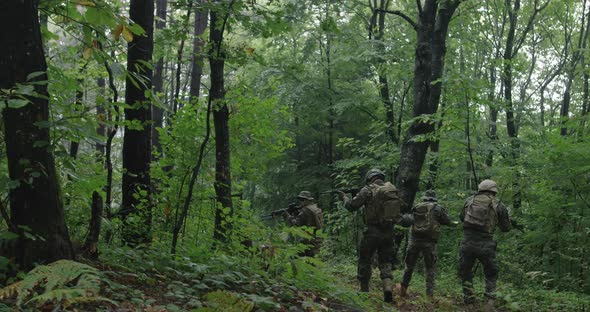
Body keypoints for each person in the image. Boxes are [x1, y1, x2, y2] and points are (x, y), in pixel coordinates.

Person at [339, 169, 407, 303]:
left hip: (372, 231)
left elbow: (352, 206)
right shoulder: (391, 189)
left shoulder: (367, 190)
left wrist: (345, 198)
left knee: (365, 260)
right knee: (385, 261)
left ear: (369, 178)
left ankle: (364, 291)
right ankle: (387, 288)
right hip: (388, 232)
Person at [458, 179, 514, 309]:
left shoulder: (469, 201)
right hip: (486, 243)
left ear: (480, 189)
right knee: (491, 272)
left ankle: (469, 301)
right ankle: (489, 302)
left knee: (465, 271)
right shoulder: (498, 205)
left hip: (467, 241)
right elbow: (506, 228)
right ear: (494, 191)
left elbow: (462, 218)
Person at [400, 190, 451, 299]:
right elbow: (447, 221)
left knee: (409, 266)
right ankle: (429, 295)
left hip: (414, 241)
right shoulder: (438, 209)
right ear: (434, 198)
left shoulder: (416, 207)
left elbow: (408, 220)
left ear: (425, 197)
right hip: (429, 242)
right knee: (430, 268)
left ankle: (403, 290)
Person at [284, 191, 323, 257]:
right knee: (313, 261)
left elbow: (296, 223)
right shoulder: (314, 208)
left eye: (302, 199)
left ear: (308, 200)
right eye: (300, 200)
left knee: (296, 258)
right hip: (317, 238)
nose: (301, 201)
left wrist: (289, 216)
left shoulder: (305, 210)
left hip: (308, 240)